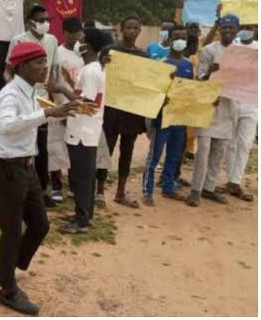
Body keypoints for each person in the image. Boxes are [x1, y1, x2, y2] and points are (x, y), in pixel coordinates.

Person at [0, 41, 79, 315]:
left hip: (25, 167)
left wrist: (52, 111)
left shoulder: (29, 90)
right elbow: (5, 126)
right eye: (39, 63)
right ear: (23, 66)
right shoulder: (10, 94)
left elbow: (26, 121)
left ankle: (7, 269)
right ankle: (7, 286)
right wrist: (47, 113)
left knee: (40, 225)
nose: (44, 68)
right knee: (12, 230)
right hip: (9, 168)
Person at [48, 28, 103, 234]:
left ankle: (81, 221)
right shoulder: (94, 69)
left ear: (87, 45)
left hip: (82, 131)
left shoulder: (90, 71)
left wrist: (62, 90)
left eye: (81, 39)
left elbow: (86, 104)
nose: (77, 41)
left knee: (80, 177)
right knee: (86, 176)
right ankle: (85, 213)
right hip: (86, 130)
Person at [6, 4, 61, 208]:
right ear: (31, 22)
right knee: (22, 144)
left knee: (42, 147)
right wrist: (13, 89)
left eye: (48, 19)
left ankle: (41, 190)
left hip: (43, 101)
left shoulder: (52, 40)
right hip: (22, 99)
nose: (45, 23)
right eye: (41, 20)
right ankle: (18, 188)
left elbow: (53, 71)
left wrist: (54, 97)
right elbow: (7, 71)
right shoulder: (18, 40)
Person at [186, 14, 240, 207]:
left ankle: (209, 188)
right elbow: (199, 78)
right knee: (204, 151)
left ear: (236, 31)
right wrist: (211, 71)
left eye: (231, 28)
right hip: (209, 107)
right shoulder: (209, 50)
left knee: (219, 151)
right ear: (219, 30)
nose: (227, 32)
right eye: (224, 28)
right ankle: (195, 190)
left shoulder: (242, 53)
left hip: (229, 107)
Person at [99, 14, 148, 209]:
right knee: (106, 149)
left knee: (127, 150)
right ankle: (99, 191)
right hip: (112, 108)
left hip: (132, 110)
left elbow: (146, 82)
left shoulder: (143, 56)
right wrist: (102, 64)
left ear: (139, 30)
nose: (132, 31)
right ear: (121, 29)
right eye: (128, 27)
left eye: (136, 28)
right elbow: (99, 75)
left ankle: (121, 192)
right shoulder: (110, 51)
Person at [141, 25, 193, 206]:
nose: (180, 40)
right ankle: (147, 191)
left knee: (174, 155)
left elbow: (192, 91)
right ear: (170, 40)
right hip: (162, 118)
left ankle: (168, 188)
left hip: (180, 117)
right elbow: (153, 91)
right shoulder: (162, 64)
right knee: (154, 155)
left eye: (183, 37)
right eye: (177, 37)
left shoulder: (189, 65)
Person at [219, 26, 257, 202]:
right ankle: (230, 181)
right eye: (244, 27)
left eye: (251, 28)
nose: (247, 31)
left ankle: (236, 181)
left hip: (252, 102)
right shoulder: (232, 47)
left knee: (245, 143)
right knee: (230, 143)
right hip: (233, 99)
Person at [48, 17, 84, 203]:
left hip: (78, 107)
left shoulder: (83, 54)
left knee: (74, 148)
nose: (74, 36)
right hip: (60, 106)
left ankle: (73, 184)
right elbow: (53, 83)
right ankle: (55, 185)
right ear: (64, 33)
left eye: (77, 32)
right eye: (70, 33)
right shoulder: (57, 53)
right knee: (55, 147)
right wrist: (58, 108)